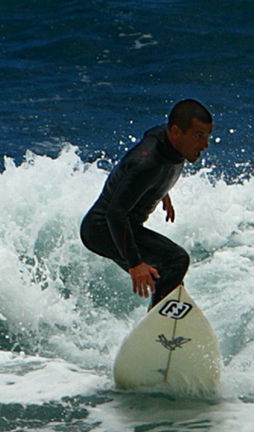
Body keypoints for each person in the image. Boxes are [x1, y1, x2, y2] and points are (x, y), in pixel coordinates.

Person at [80, 99, 213, 309]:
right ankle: (159, 325)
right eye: (198, 136)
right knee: (176, 260)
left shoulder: (170, 143)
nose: (205, 145)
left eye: (207, 136)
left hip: (123, 226)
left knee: (168, 276)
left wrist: (160, 192)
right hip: (103, 228)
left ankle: (161, 322)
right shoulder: (146, 162)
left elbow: (154, 171)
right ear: (176, 132)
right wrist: (135, 264)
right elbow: (115, 213)